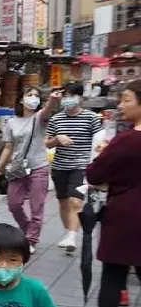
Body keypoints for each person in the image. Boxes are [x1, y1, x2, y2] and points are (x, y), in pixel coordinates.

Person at [85, 79, 141, 307]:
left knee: (113, 275)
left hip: (125, 216)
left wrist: (103, 155)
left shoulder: (126, 141)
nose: (121, 105)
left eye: (127, 99)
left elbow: (94, 175)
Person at [0, 88, 63, 254]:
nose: (33, 98)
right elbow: (8, 148)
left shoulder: (39, 119)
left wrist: (52, 99)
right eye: (29, 95)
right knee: (13, 203)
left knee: (36, 206)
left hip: (39, 167)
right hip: (18, 169)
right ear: (21, 100)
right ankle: (27, 228)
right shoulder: (11, 122)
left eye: (36, 96)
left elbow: (47, 110)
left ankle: (31, 239)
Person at [45, 82, 104, 253]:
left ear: (80, 98)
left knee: (75, 201)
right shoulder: (56, 119)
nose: (67, 99)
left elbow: (99, 142)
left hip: (81, 166)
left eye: (71, 96)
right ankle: (68, 232)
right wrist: (57, 140)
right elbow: (47, 143)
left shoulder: (91, 118)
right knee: (63, 202)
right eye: (65, 96)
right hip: (59, 166)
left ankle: (71, 236)